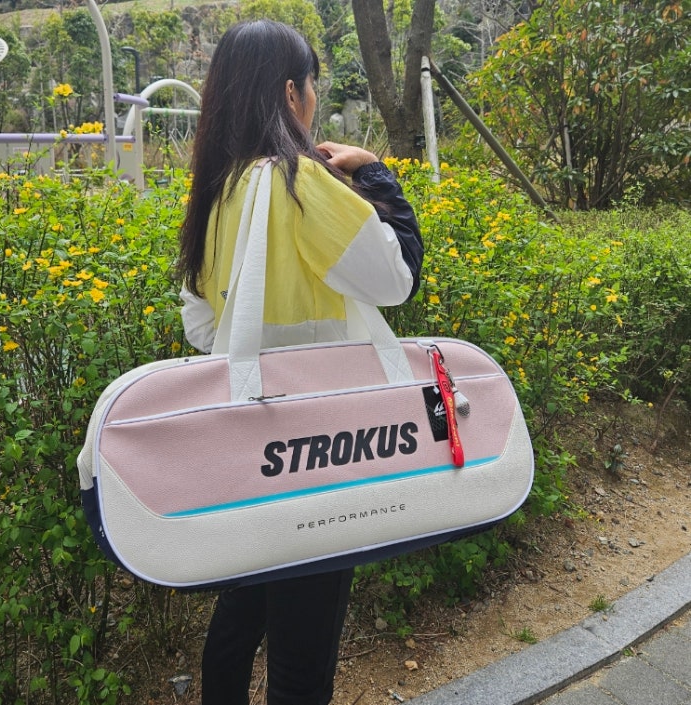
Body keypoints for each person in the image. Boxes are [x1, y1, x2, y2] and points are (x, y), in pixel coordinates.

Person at [177, 19, 424, 705]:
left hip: (245, 447)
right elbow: (397, 278)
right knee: (301, 657)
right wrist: (372, 173)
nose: (313, 97)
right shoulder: (302, 183)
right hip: (318, 448)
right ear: (291, 94)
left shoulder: (216, 190)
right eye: (311, 84)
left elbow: (202, 326)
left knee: (241, 610)